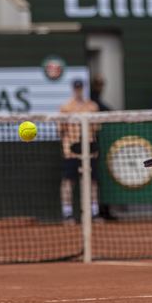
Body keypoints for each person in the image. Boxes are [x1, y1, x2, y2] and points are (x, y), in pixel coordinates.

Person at [59, 79, 101, 222]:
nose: (78, 91)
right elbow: (61, 130)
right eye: (76, 88)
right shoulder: (65, 107)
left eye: (80, 88)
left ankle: (94, 212)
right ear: (73, 89)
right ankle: (67, 213)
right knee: (68, 181)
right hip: (71, 151)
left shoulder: (92, 106)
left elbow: (96, 128)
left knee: (91, 181)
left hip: (89, 150)